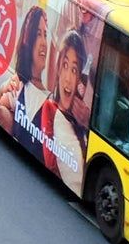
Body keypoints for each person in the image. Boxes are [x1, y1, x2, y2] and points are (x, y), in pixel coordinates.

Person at [0, 5, 51, 156]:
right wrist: (3, 89)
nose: (44, 42)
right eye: (38, 34)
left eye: (45, 35)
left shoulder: (52, 99)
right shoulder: (19, 87)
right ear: (27, 41)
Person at [39, 30, 91, 192]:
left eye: (74, 70)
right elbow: (50, 162)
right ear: (59, 70)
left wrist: (86, 124)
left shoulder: (82, 124)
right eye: (65, 66)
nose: (68, 78)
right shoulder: (49, 108)